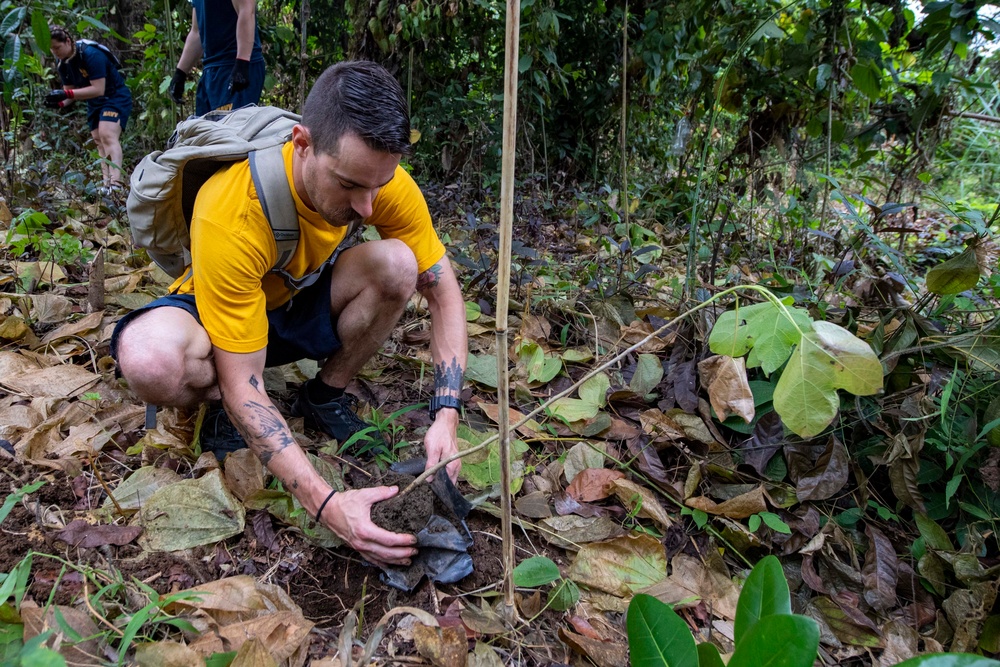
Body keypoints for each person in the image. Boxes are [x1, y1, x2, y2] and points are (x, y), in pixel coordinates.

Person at [111, 61, 467, 568]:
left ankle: (324, 394)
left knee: (399, 264)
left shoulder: (377, 180)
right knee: (150, 359)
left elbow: (444, 291)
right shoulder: (231, 209)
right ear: (302, 143)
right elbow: (243, 382)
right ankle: (213, 412)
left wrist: (446, 416)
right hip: (221, 314)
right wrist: (327, 504)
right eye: (348, 185)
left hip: (297, 297)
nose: (368, 206)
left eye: (378, 185)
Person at [46, 26, 133, 191]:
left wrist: (66, 94)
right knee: (98, 141)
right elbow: (69, 92)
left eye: (57, 47)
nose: (55, 52)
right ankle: (106, 184)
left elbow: (98, 88)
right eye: (52, 49)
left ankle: (116, 183)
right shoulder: (62, 62)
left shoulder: (91, 54)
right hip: (94, 102)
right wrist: (58, 102)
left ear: (68, 42)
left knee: (107, 134)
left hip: (114, 97)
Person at [169, 0, 266, 115]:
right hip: (211, 70)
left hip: (234, 65)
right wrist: (180, 73)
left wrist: (242, 63)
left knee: (230, 129)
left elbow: (246, 10)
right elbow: (197, 32)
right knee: (205, 130)